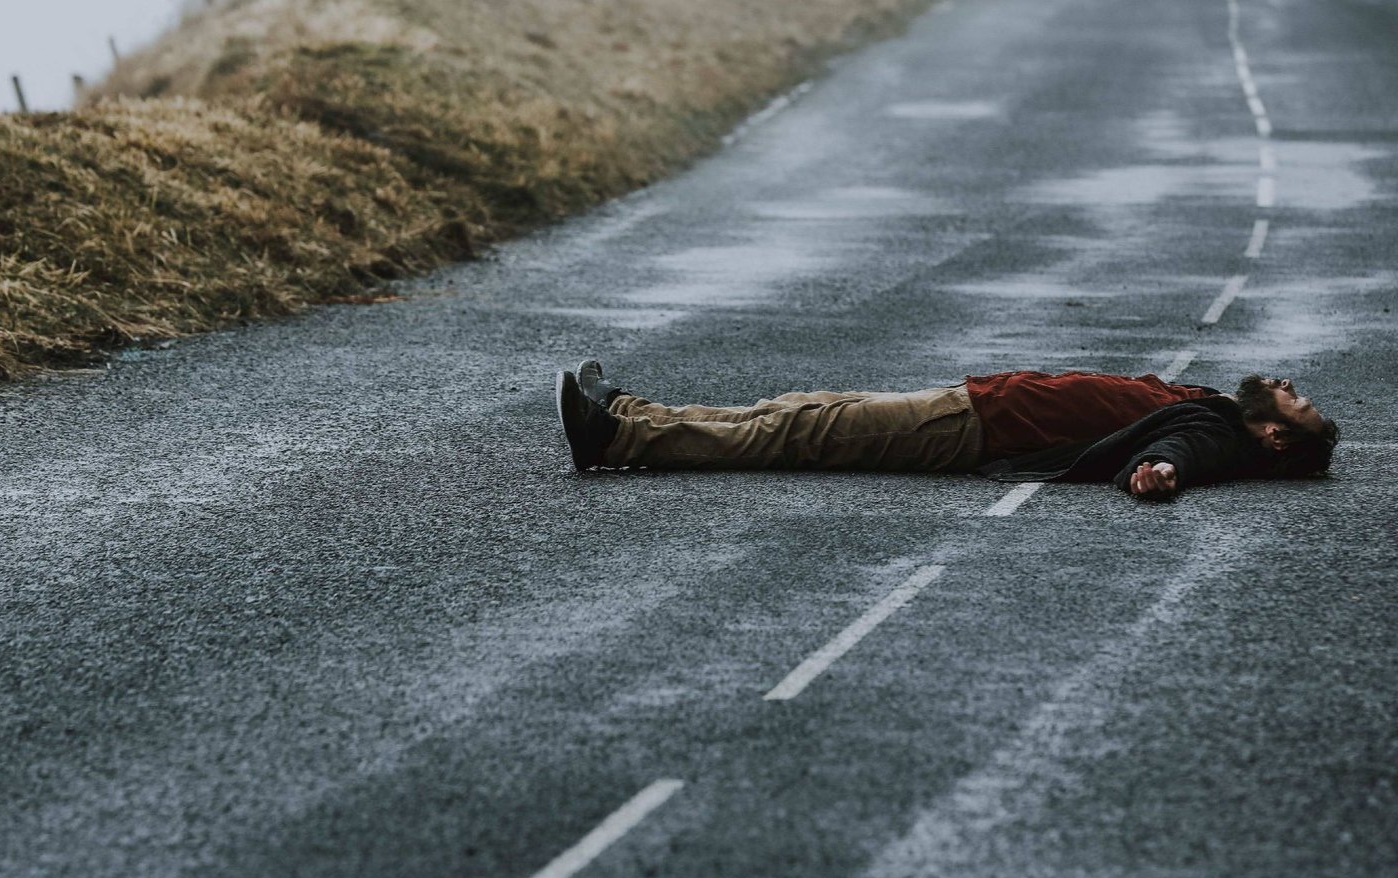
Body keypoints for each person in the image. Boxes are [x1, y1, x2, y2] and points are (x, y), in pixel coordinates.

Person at [555, 361, 1338, 500]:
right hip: (974, 402)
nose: (1286, 385)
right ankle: (631, 413)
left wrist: (1160, 472)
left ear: (1274, 439)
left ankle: (613, 441)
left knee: (797, 428)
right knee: (797, 407)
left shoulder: (1217, 435)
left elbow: (1177, 452)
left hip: (969, 428)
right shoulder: (1219, 407)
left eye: (1293, 400)